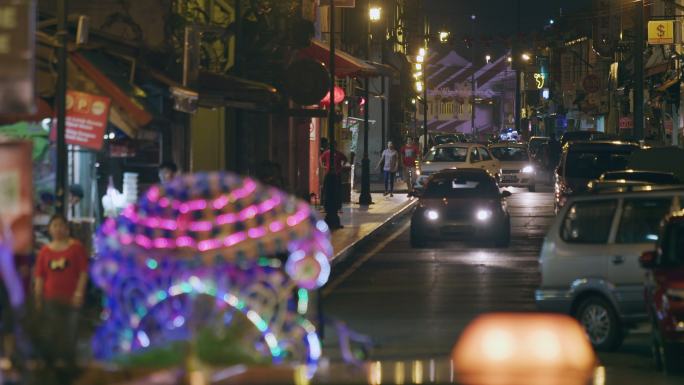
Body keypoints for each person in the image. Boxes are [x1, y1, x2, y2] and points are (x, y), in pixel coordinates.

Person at [34, 214, 88, 368]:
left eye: (61, 225)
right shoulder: (45, 251)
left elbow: (83, 273)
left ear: (67, 228)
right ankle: (53, 366)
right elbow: (39, 277)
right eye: (54, 226)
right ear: (50, 229)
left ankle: (68, 365)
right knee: (51, 332)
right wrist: (38, 298)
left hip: (71, 298)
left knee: (70, 332)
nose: (58, 229)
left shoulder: (76, 248)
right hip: (50, 298)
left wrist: (79, 293)